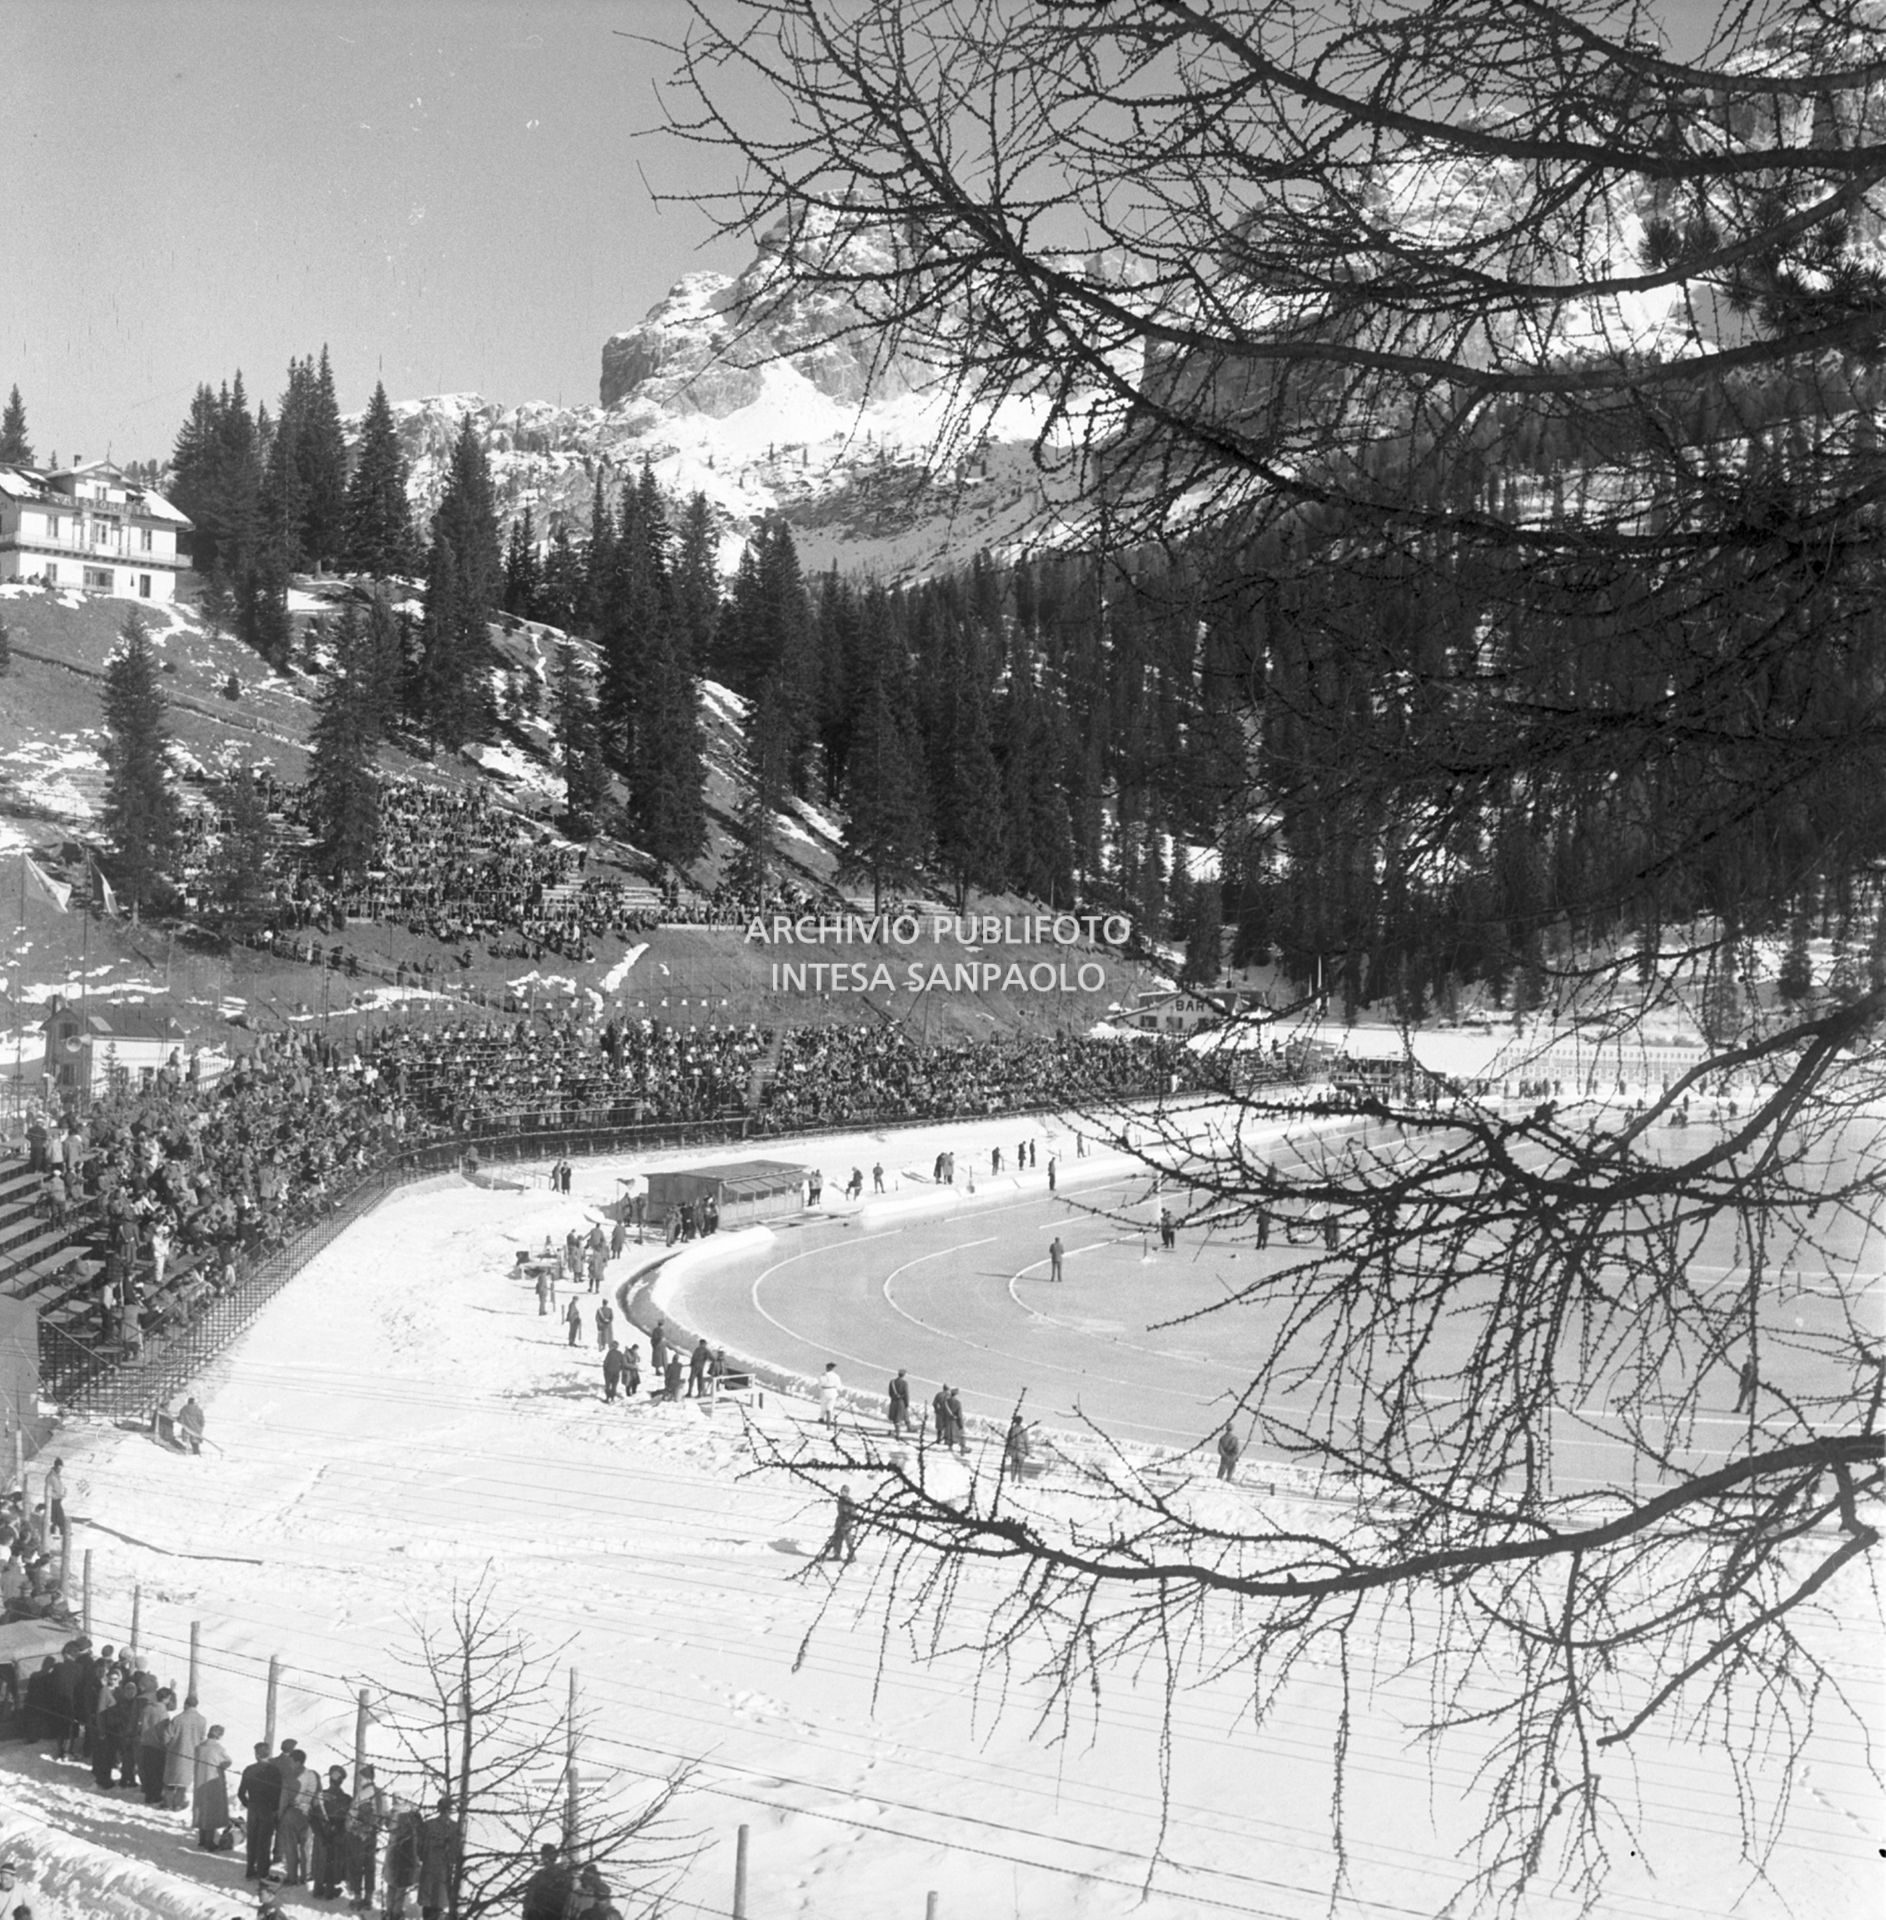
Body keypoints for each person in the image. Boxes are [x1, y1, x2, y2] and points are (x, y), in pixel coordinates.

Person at [344, 1763, 388, 1913]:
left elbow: (352, 1814)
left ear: (364, 1778)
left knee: (357, 1865)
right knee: (370, 1866)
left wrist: (349, 1827)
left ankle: (357, 1897)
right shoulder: (381, 1793)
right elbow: (384, 1815)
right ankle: (368, 1898)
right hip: (373, 1834)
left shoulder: (362, 1794)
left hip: (358, 1835)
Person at [239, 1739, 282, 1879]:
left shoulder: (249, 1769)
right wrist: (275, 1809)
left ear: (257, 1755)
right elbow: (278, 1792)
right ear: (269, 1754)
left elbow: (241, 1793)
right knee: (264, 1840)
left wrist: (248, 1803)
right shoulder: (275, 1771)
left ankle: (250, 1868)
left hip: (253, 1807)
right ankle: (263, 1871)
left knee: (252, 1839)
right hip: (268, 1809)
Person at [310, 1764, 352, 1898]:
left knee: (320, 1860)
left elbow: (312, 1816)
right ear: (341, 1781)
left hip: (321, 1834)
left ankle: (317, 1889)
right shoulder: (346, 1799)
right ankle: (329, 1890)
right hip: (337, 1835)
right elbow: (348, 1819)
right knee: (333, 1860)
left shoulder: (320, 1796)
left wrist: (319, 1832)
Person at [416, 1794, 460, 1920]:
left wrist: (423, 1856)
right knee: (439, 1899)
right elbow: (455, 1854)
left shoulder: (428, 1825)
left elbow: (420, 1847)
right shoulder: (455, 1827)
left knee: (428, 1900)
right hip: (443, 1869)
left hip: (429, 1867)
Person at [163, 1690, 208, 1810]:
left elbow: (167, 1735)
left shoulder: (178, 1719)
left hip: (175, 1752)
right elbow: (202, 1737)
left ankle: (167, 1802)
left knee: (171, 1779)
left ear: (185, 1704)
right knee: (183, 1781)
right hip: (191, 1753)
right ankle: (178, 1803)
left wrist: (169, 1746)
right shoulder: (202, 1720)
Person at [193, 1722, 233, 1850]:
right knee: (212, 1811)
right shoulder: (218, 1749)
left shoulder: (199, 1747)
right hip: (213, 1782)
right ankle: (209, 1842)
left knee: (201, 1810)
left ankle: (202, 1839)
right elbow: (227, 1761)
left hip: (199, 1780)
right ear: (219, 1736)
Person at [521, 1841, 575, 1920]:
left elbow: (568, 1897)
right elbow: (529, 1898)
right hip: (539, 1914)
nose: (546, 1858)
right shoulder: (538, 1876)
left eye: (549, 1854)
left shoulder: (563, 1875)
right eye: (544, 1854)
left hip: (555, 1913)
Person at [815, 1485, 860, 1564]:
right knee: (837, 1539)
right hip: (839, 1523)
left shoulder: (849, 1501)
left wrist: (849, 1518)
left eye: (845, 1491)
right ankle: (837, 1555)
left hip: (846, 1524)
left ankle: (852, 1557)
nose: (843, 1493)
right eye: (842, 1491)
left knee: (848, 1540)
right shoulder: (840, 1500)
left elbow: (853, 1512)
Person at [817, 1361, 841, 1430]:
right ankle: (829, 1420)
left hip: (825, 1391)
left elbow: (820, 1384)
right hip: (833, 1391)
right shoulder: (836, 1376)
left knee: (823, 1405)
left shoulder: (822, 1375)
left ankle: (821, 1418)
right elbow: (838, 1386)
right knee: (830, 1406)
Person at [888, 1368, 911, 1436]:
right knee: (901, 1416)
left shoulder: (892, 1382)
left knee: (895, 1417)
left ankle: (898, 1430)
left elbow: (890, 1393)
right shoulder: (904, 1383)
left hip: (894, 1401)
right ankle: (899, 1433)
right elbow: (906, 1394)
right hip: (901, 1402)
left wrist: (894, 1397)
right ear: (904, 1375)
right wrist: (907, 1403)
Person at [931, 1384, 953, 1450]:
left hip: (939, 1413)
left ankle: (938, 1439)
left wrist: (936, 1409)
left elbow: (934, 1403)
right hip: (946, 1414)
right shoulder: (949, 1396)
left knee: (939, 1428)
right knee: (946, 1427)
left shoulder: (938, 1394)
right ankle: (946, 1441)